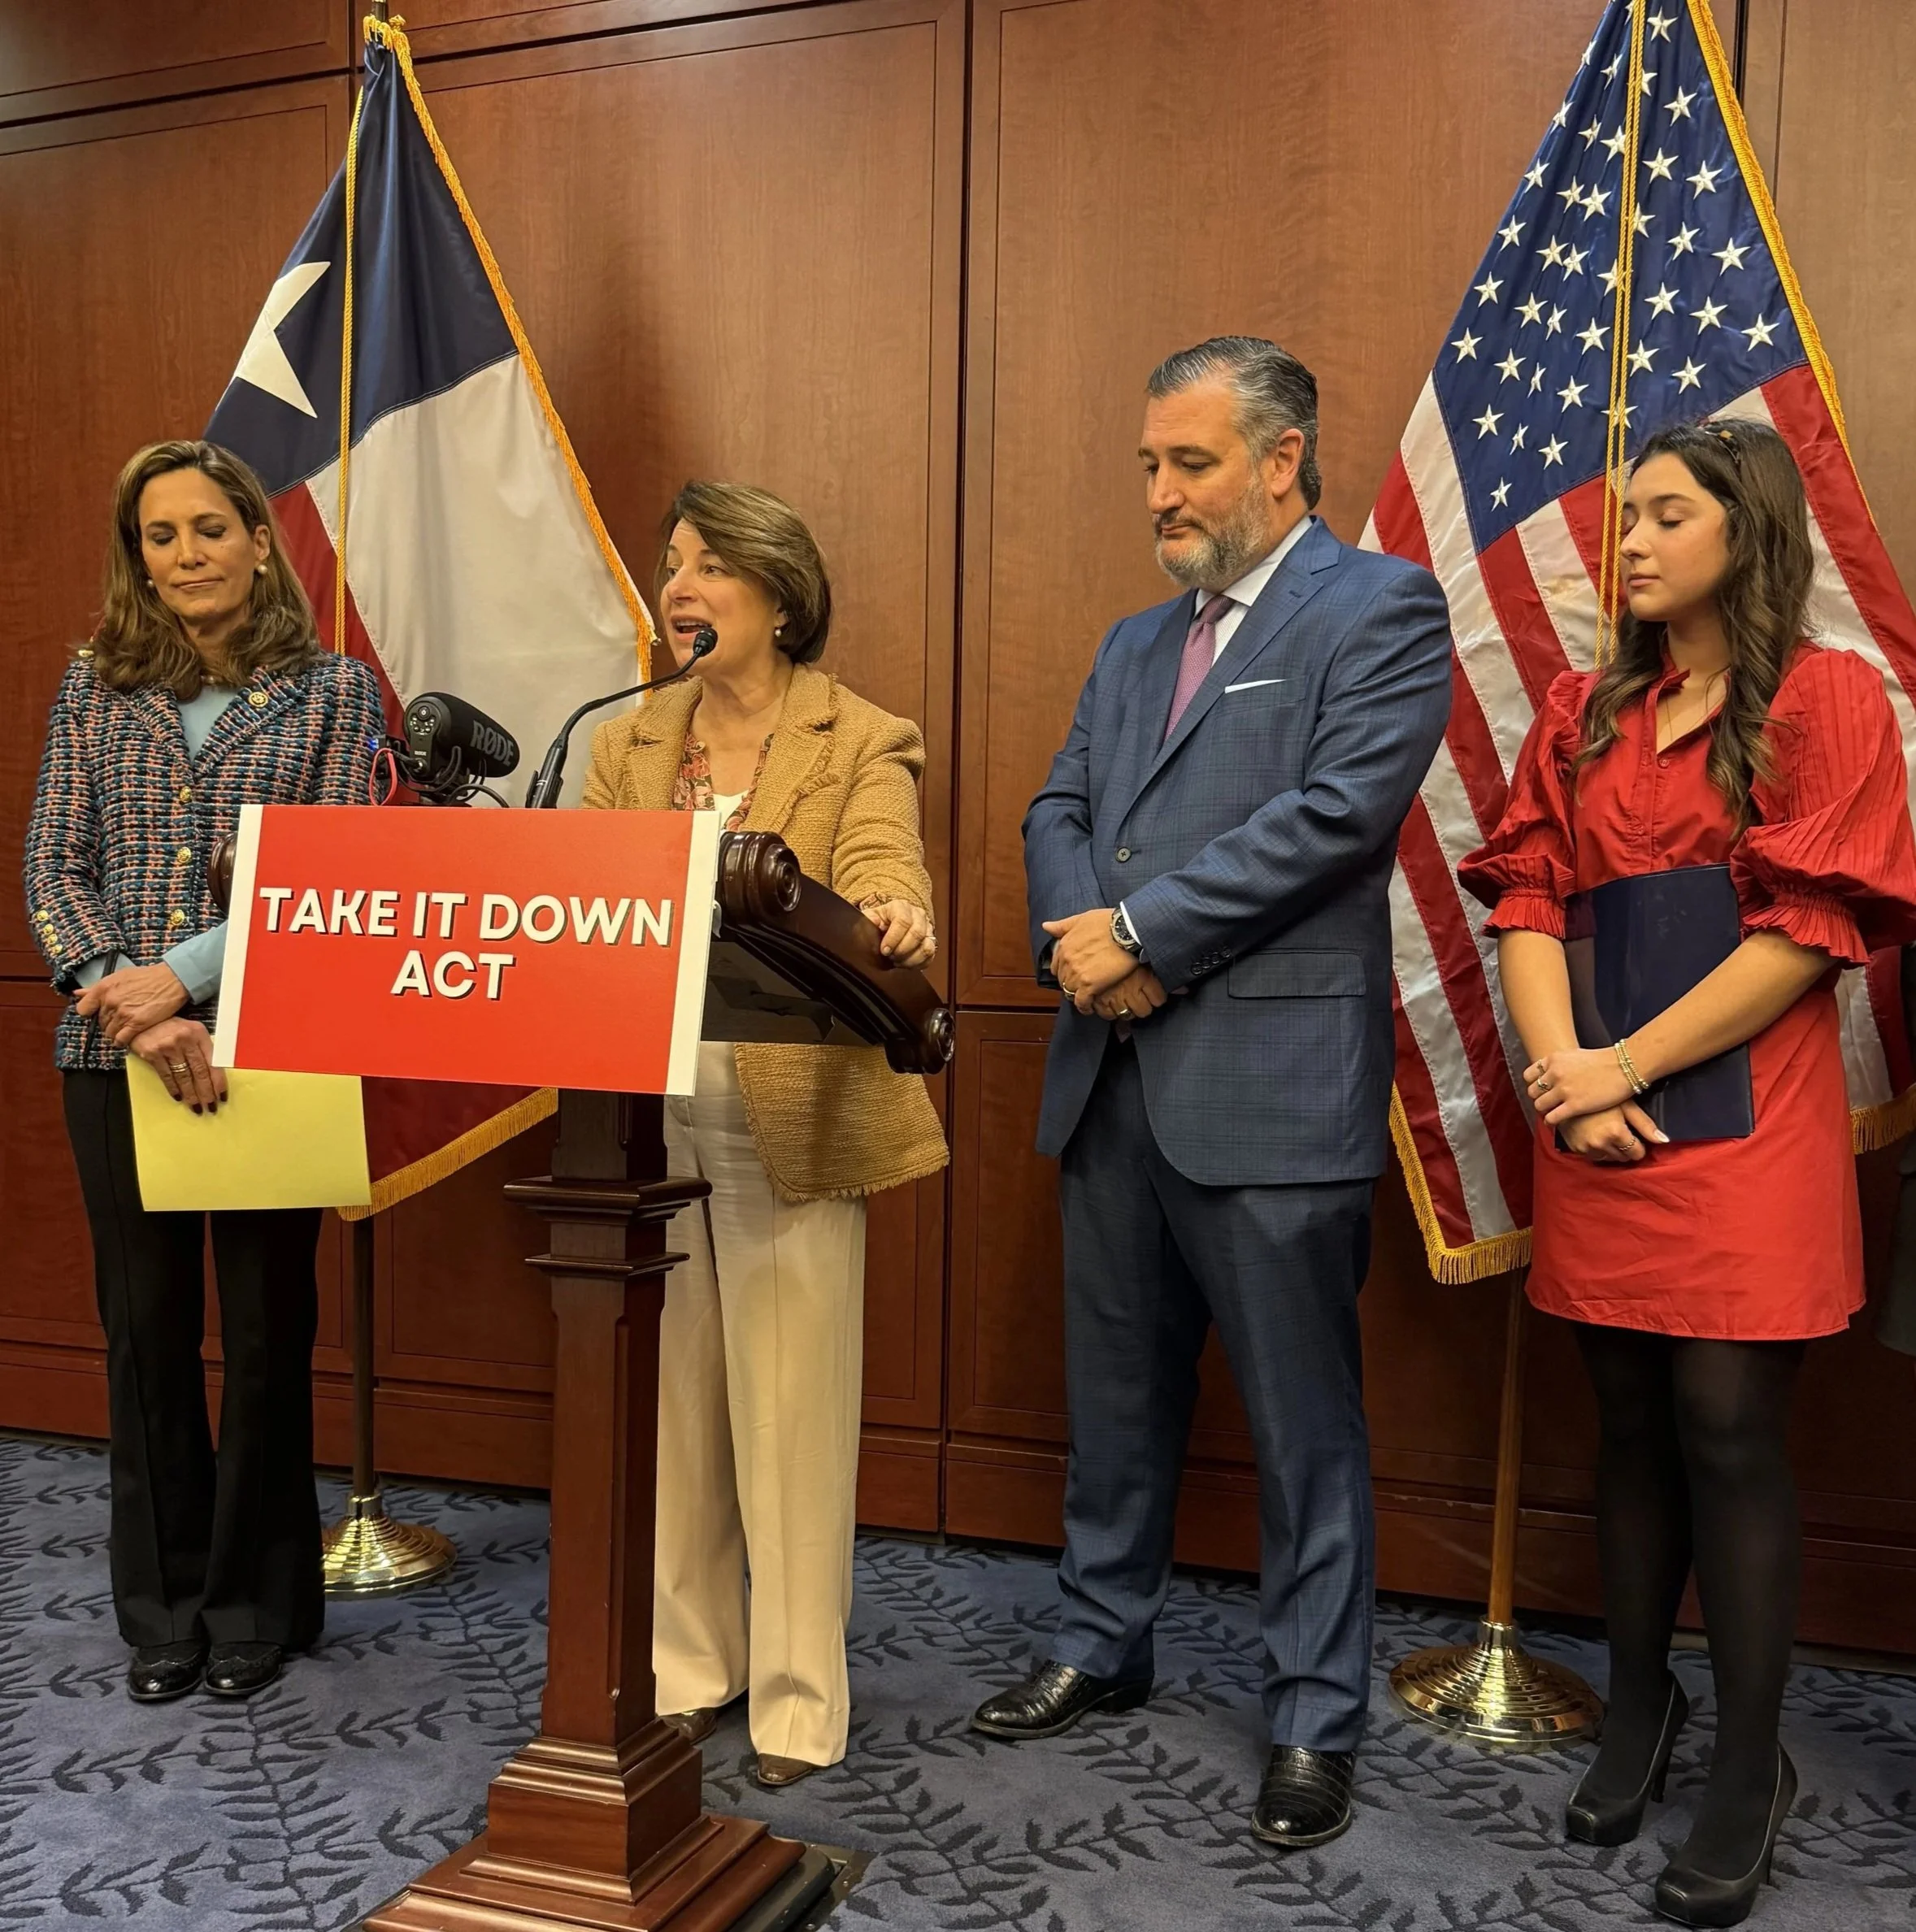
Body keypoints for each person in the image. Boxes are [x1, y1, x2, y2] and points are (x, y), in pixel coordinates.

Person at [971, 336, 1452, 1849]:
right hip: (1110, 1074)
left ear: (1282, 459)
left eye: (1190, 463)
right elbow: (1059, 803)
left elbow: (1337, 816)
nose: (1161, 494)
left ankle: (1313, 1715)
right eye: (1150, 466)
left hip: (1272, 1087)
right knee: (1114, 1397)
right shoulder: (1133, 643)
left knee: (1304, 1426)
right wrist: (1082, 945)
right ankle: (1100, 1638)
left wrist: (1141, 935)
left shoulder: (1379, 608)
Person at [1458, 419, 1916, 1928]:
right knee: (1628, 1421)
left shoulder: (1827, 698)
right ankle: (1642, 1706)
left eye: (1666, 514)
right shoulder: (1585, 713)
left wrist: (1626, 1067)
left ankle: (1747, 1761)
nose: (1632, 541)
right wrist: (1562, 1078)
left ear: (1747, 529)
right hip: (1595, 1120)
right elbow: (1530, 896)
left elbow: (1809, 932)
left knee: (1727, 1423)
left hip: (1745, 1120)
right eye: (1626, 516)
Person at [584, 480, 948, 1787]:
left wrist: (898, 911)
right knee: (678, 1404)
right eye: (671, 563)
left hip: (790, 1110)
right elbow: (582, 893)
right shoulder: (624, 740)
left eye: (709, 566)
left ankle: (798, 1701)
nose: (678, 588)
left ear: (781, 599)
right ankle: (693, 1667)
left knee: (792, 1414)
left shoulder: (861, 734)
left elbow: (883, 863)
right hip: (642, 1113)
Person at [23, 440, 383, 1704]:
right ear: (139, 558)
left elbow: (333, 871)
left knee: (270, 1332)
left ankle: (258, 1605)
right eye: (159, 536)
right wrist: (126, 1000)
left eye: (209, 528)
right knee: (147, 1334)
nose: (186, 555)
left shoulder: (331, 691)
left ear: (257, 540)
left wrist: (180, 981)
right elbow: (52, 863)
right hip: (110, 1048)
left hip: (270, 1045)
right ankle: (165, 1608)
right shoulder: (95, 683)